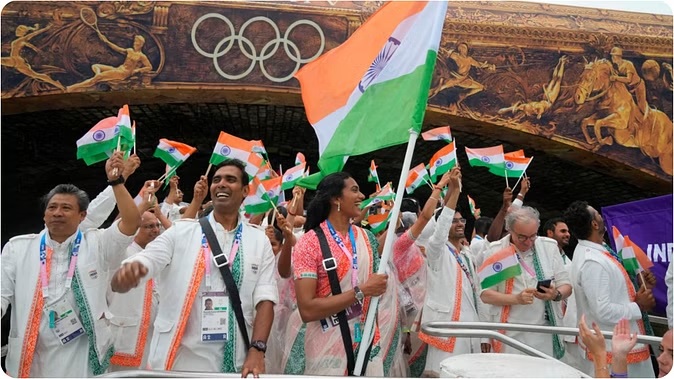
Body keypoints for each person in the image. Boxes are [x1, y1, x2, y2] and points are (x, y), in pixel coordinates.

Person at [110, 160, 278, 376]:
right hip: (180, 359)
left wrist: (258, 349)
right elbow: (150, 258)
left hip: (237, 360)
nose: (221, 184)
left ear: (245, 191)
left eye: (230, 179)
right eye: (216, 180)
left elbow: (265, 299)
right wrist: (131, 271)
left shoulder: (258, 240)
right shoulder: (182, 232)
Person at [1, 151, 140, 377]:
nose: (57, 213)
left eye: (66, 208)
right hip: (32, 354)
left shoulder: (97, 244)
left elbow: (132, 222)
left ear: (82, 216)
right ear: (44, 215)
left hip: (82, 353)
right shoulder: (18, 248)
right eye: (52, 208)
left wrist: (117, 182)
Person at [292, 172, 390, 376]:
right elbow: (308, 310)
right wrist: (361, 291)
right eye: (354, 190)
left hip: (367, 343)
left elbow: (375, 294)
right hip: (327, 348)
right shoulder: (309, 243)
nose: (362, 196)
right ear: (336, 199)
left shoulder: (367, 238)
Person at [563, 200, 655, 377]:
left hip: (620, 343)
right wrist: (639, 306)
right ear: (594, 224)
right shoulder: (593, 262)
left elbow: (615, 291)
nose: (601, 216)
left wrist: (640, 286)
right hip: (615, 349)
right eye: (597, 214)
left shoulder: (599, 249)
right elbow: (603, 311)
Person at [416, 168, 489, 375]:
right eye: (454, 220)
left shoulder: (467, 255)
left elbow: (478, 295)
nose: (459, 224)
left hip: (471, 327)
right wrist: (455, 190)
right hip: (448, 327)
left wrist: (483, 334)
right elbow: (440, 232)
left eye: (462, 220)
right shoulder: (436, 250)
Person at [480, 206, 572, 359]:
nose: (529, 242)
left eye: (533, 236)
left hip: (544, 331)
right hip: (510, 333)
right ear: (509, 230)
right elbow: (485, 294)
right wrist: (516, 299)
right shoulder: (496, 251)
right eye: (522, 237)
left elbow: (567, 286)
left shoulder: (549, 247)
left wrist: (555, 294)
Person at [107, 202, 164, 371]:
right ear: (136, 228)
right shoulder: (121, 252)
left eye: (157, 225)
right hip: (126, 333)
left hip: (153, 334)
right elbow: (114, 233)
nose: (155, 230)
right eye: (148, 226)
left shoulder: (159, 254)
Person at [67, 33, 152, 92]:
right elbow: (117, 48)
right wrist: (106, 41)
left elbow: (149, 67)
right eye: (134, 41)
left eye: (137, 42)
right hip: (119, 69)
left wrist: (137, 70)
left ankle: (72, 87)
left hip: (123, 73)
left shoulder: (141, 56)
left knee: (97, 78)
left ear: (141, 44)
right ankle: (98, 75)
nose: (135, 43)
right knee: (95, 66)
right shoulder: (129, 50)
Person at [498, 56, 568, 119]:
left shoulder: (527, 108)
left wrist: (510, 109)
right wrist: (538, 114)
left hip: (546, 97)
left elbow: (503, 110)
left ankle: (561, 62)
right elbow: (540, 112)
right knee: (557, 80)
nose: (534, 109)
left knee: (554, 78)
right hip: (550, 99)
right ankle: (562, 62)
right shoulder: (537, 111)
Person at [429, 41, 496, 107]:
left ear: (467, 49)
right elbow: (446, 55)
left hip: (464, 79)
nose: (462, 49)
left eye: (464, 48)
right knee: (438, 89)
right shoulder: (455, 55)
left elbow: (480, 65)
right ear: (458, 49)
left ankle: (463, 95)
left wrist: (489, 66)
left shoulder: (469, 59)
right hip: (454, 78)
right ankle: (426, 96)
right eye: (460, 47)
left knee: (480, 87)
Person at [1, 23, 65, 90]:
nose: (16, 31)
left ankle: (57, 84)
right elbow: (29, 45)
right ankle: (58, 84)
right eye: (17, 29)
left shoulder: (23, 39)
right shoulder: (22, 41)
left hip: (14, 59)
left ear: (23, 32)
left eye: (19, 30)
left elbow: (35, 33)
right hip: (19, 62)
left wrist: (46, 28)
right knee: (35, 75)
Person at [609, 47, 648, 117]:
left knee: (641, 108)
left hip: (637, 87)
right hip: (628, 89)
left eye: (613, 56)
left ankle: (648, 122)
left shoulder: (628, 64)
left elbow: (628, 80)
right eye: (612, 56)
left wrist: (615, 78)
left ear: (618, 56)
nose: (612, 58)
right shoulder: (615, 66)